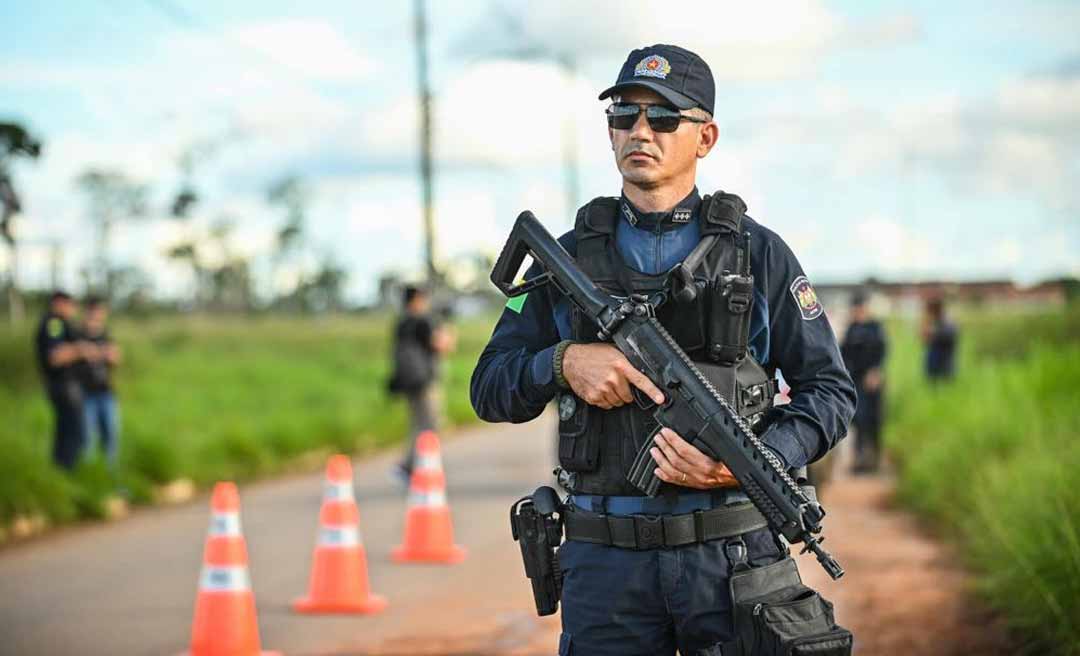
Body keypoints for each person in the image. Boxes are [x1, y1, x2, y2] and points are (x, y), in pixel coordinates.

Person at [471, 44, 856, 655]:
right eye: (624, 115)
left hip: (733, 561)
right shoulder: (565, 259)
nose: (640, 131)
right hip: (607, 567)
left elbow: (830, 393)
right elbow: (489, 387)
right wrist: (562, 363)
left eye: (664, 118)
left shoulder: (760, 254)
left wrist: (755, 458)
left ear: (705, 137)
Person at [387, 285, 456, 481]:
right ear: (416, 299)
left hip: (408, 381)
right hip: (425, 381)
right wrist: (448, 330)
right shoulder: (422, 321)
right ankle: (414, 468)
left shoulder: (402, 323)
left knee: (417, 425)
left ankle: (411, 467)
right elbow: (443, 346)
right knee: (431, 426)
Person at [34, 291, 91, 470]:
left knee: (67, 432)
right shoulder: (54, 323)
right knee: (73, 434)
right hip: (64, 387)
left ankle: (61, 473)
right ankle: (66, 473)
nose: (73, 309)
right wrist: (80, 349)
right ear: (59, 303)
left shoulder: (61, 324)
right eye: (70, 304)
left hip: (66, 388)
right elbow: (55, 356)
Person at [840, 291, 887, 473]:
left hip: (873, 381)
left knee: (875, 420)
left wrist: (875, 371)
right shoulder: (851, 328)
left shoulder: (875, 327)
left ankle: (875, 460)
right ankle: (860, 460)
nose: (858, 312)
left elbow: (882, 352)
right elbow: (844, 354)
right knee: (859, 420)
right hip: (856, 381)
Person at [77, 296, 122, 468]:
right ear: (88, 312)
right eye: (96, 311)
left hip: (107, 392)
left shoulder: (106, 334)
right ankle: (90, 474)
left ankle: (111, 472)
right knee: (87, 438)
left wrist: (106, 354)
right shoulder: (78, 334)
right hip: (85, 394)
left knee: (111, 435)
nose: (98, 315)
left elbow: (115, 357)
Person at [922, 296, 957, 381]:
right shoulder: (932, 322)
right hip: (933, 360)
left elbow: (949, 338)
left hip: (944, 362)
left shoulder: (947, 323)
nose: (927, 313)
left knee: (944, 385)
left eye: (929, 310)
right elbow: (925, 339)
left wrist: (933, 333)